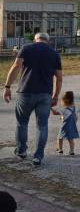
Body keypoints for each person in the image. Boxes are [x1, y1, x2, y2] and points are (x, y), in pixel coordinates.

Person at [3, 32, 63, 166]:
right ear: (48, 41)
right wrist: (55, 96)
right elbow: (59, 78)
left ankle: (21, 151)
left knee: (21, 123)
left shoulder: (26, 48)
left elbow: (16, 67)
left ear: (36, 39)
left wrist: (7, 87)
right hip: (45, 94)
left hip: (25, 92)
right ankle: (38, 156)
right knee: (42, 125)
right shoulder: (54, 54)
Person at [52, 91, 79, 156]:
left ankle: (60, 149)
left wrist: (50, 108)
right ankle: (72, 151)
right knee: (70, 139)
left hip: (65, 126)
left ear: (65, 101)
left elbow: (55, 113)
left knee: (60, 137)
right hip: (72, 126)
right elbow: (76, 117)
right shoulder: (74, 108)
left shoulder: (64, 109)